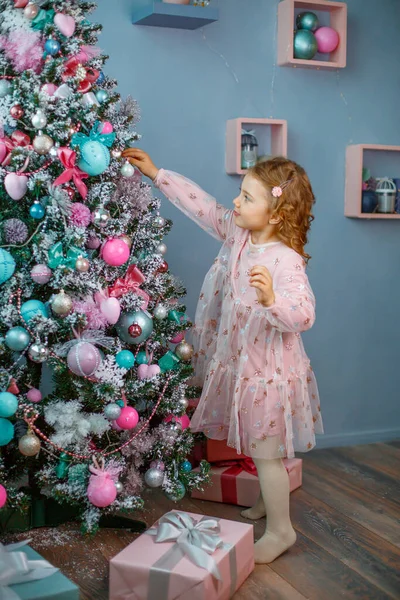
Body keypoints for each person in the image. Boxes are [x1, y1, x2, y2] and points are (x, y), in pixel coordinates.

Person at [122, 148, 324, 563]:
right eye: (241, 192)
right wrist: (159, 174)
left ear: (275, 215)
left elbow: (303, 315)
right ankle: (271, 503)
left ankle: (282, 531)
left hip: (267, 373)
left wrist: (270, 300)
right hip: (240, 364)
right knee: (257, 444)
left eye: (248, 198)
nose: (236, 202)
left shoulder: (286, 261)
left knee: (267, 454)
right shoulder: (238, 234)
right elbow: (205, 208)